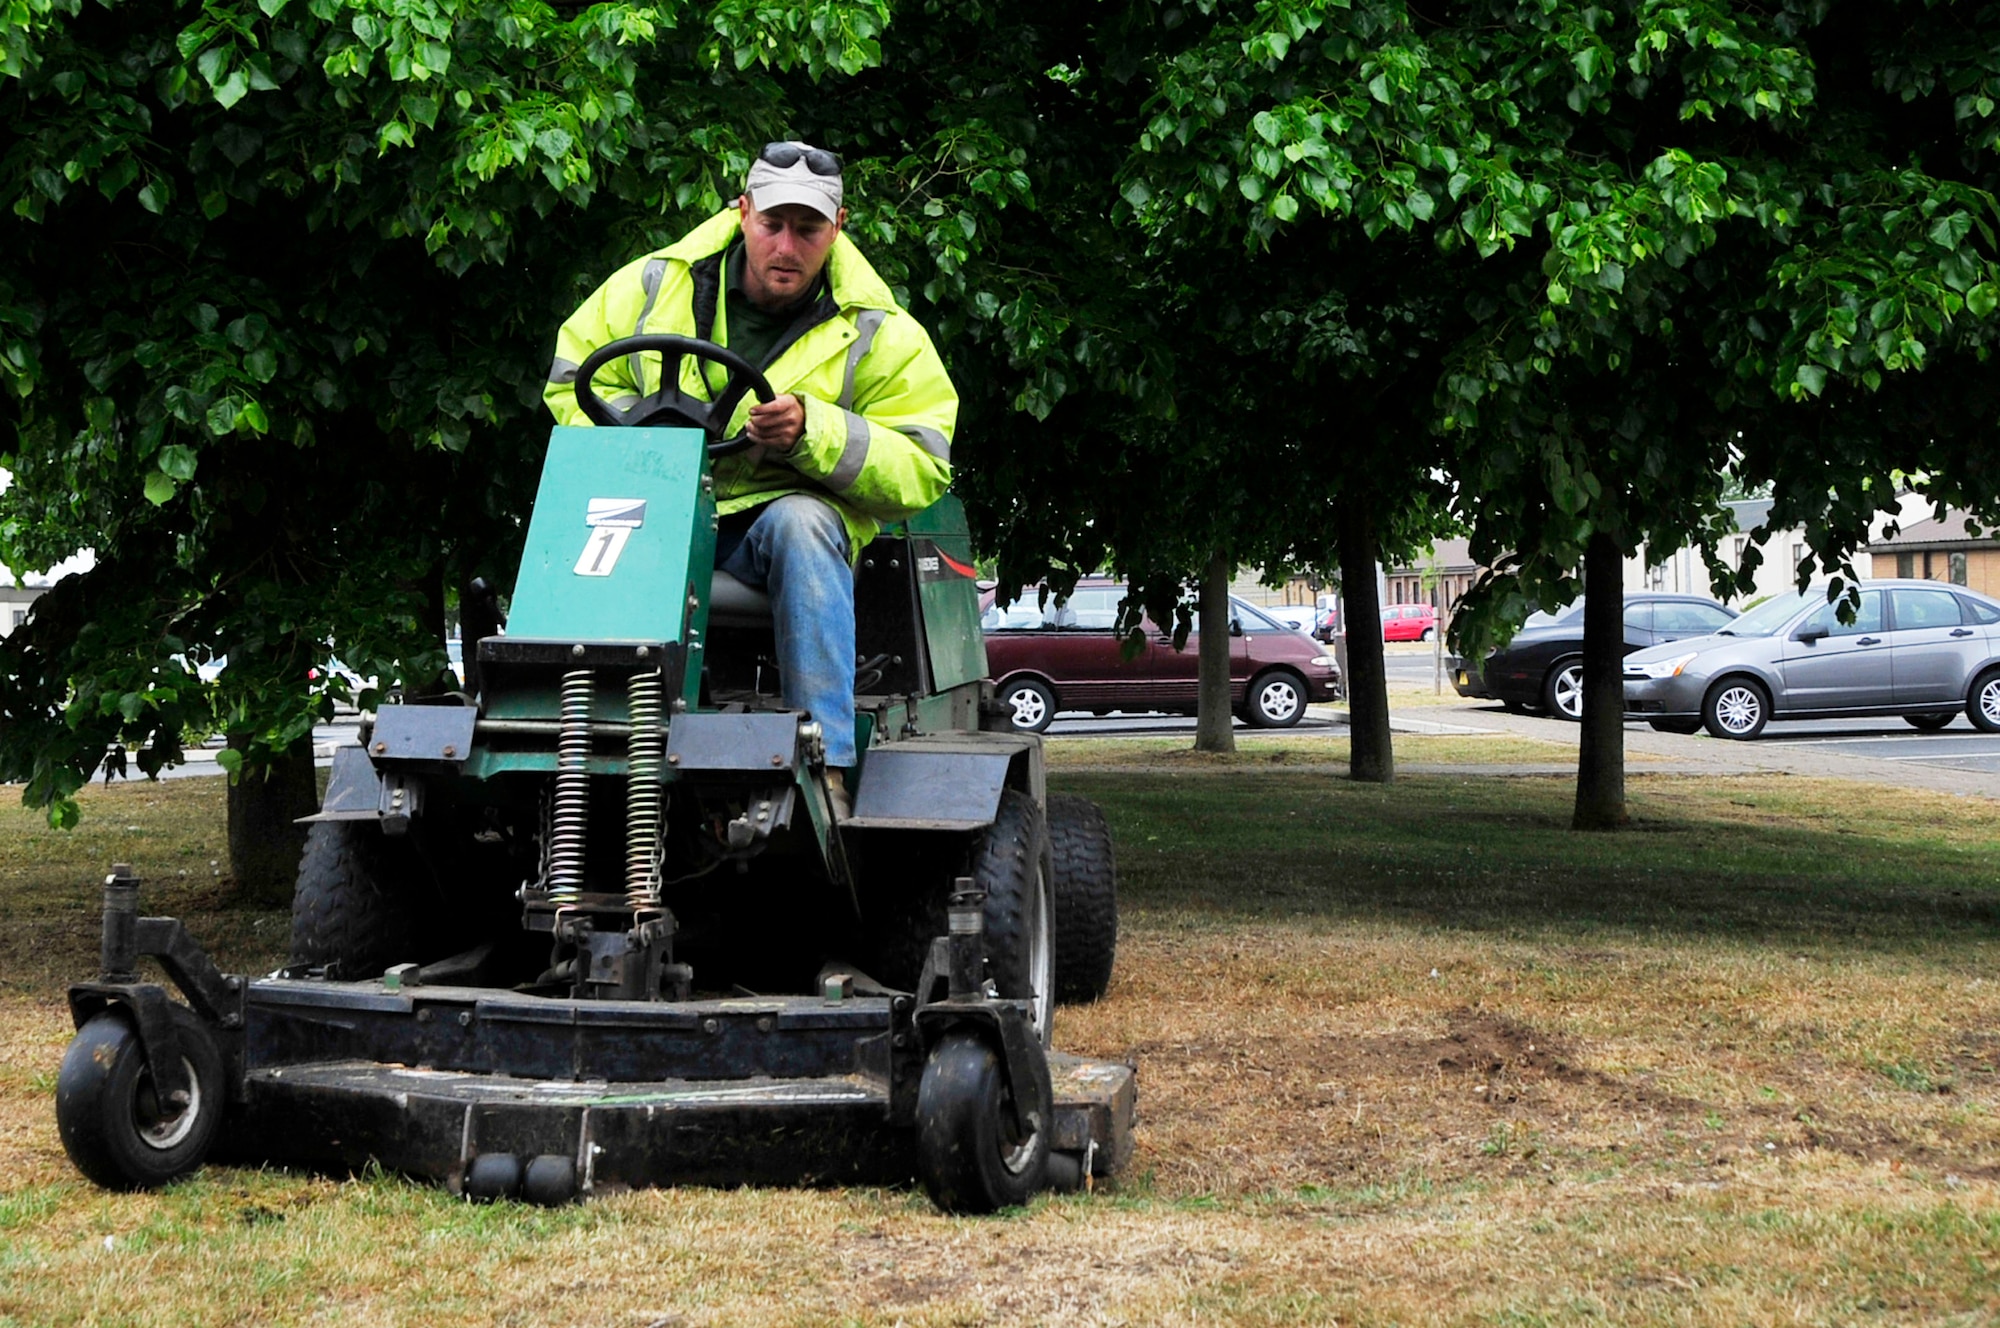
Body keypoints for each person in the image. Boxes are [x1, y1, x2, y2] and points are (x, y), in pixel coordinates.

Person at [543, 142, 959, 815]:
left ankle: (825, 762)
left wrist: (812, 434)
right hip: (656, 505)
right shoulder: (653, 283)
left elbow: (921, 464)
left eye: (808, 228)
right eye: (773, 224)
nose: (787, 246)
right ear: (743, 212)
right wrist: (645, 441)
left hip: (770, 521)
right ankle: (563, 736)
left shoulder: (882, 333)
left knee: (804, 522)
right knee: (573, 525)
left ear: (839, 226)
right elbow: (572, 380)